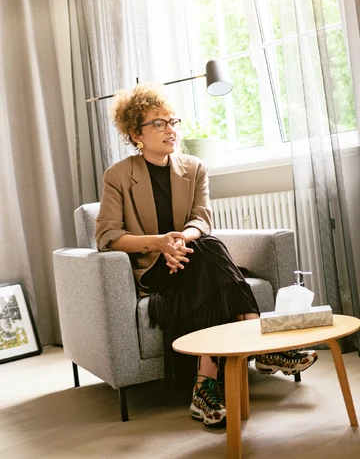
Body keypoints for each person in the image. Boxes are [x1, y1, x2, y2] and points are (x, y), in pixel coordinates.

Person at [95, 84, 317, 427]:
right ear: (136, 134)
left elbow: (201, 220)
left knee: (205, 246)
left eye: (173, 121)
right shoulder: (119, 176)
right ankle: (265, 347)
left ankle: (204, 387)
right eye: (158, 123)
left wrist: (180, 240)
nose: (171, 129)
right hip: (156, 270)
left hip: (190, 258)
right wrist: (160, 244)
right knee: (209, 248)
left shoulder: (194, 167)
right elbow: (107, 237)